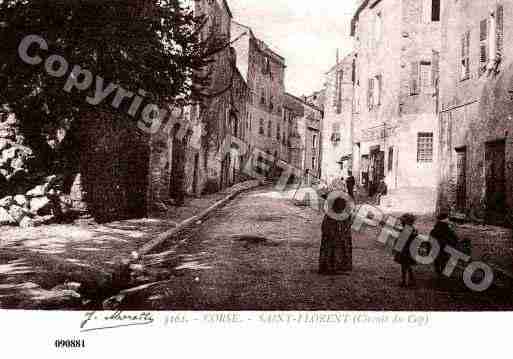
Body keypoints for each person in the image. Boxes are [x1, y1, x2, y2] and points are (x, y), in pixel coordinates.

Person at [319, 197, 352, 275]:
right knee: (331, 249)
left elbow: (348, 226)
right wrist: (332, 234)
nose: (341, 207)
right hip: (331, 237)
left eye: (342, 206)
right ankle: (329, 267)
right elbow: (325, 228)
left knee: (341, 248)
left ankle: (340, 266)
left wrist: (343, 233)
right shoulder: (329, 215)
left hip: (340, 237)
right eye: (339, 206)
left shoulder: (345, 215)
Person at [430, 213, 460, 278]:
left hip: (437, 246)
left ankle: (438, 272)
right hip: (444, 246)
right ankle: (442, 273)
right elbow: (454, 236)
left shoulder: (436, 228)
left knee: (437, 259)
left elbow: (431, 237)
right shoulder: (446, 228)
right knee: (444, 259)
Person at [394, 213, 418, 287]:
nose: (401, 222)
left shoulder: (406, 230)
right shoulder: (412, 229)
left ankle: (404, 282)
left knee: (404, 267)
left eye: (402, 221)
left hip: (405, 250)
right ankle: (411, 280)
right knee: (409, 266)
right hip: (410, 250)